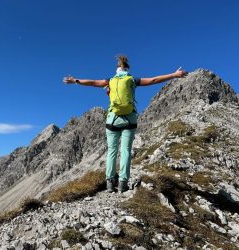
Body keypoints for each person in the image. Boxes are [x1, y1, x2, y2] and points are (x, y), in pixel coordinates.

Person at [63, 55, 187, 193]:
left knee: (112, 151)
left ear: (117, 69)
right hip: (129, 119)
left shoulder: (110, 81)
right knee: (126, 151)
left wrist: (75, 80)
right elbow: (154, 80)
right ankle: (123, 182)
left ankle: (110, 183)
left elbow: (92, 82)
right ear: (127, 69)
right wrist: (174, 75)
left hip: (112, 119)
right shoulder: (132, 79)